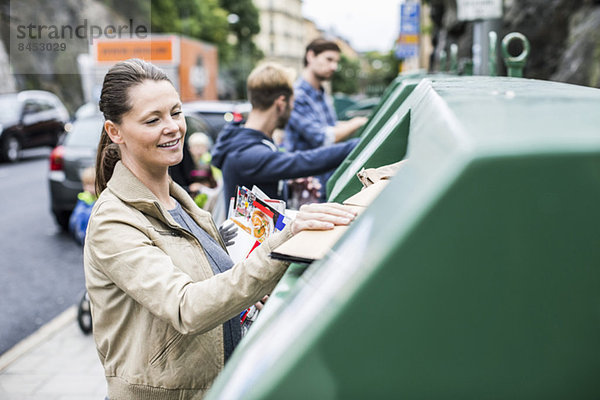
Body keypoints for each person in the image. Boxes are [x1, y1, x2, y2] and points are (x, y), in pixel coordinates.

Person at [83, 58, 357, 400]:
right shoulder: (113, 221)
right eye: (153, 120)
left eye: (176, 112)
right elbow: (186, 307)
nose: (173, 127)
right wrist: (283, 243)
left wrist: (253, 290)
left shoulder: (181, 202)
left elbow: (211, 279)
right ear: (115, 131)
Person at [211, 62, 359, 209]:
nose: (293, 107)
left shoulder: (248, 141)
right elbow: (303, 161)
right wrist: (358, 145)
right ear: (281, 103)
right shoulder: (245, 153)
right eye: (292, 102)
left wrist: (287, 186)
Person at [284, 38, 368, 198]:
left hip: (327, 179)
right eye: (329, 59)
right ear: (310, 56)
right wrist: (356, 123)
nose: (334, 66)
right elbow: (323, 137)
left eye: (336, 61)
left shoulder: (321, 93)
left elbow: (331, 126)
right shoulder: (296, 96)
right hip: (308, 188)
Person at [68, 166, 96, 245]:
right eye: (87, 184)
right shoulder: (84, 200)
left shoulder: (102, 199)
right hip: (85, 237)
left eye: (93, 184)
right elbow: (75, 220)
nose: (90, 188)